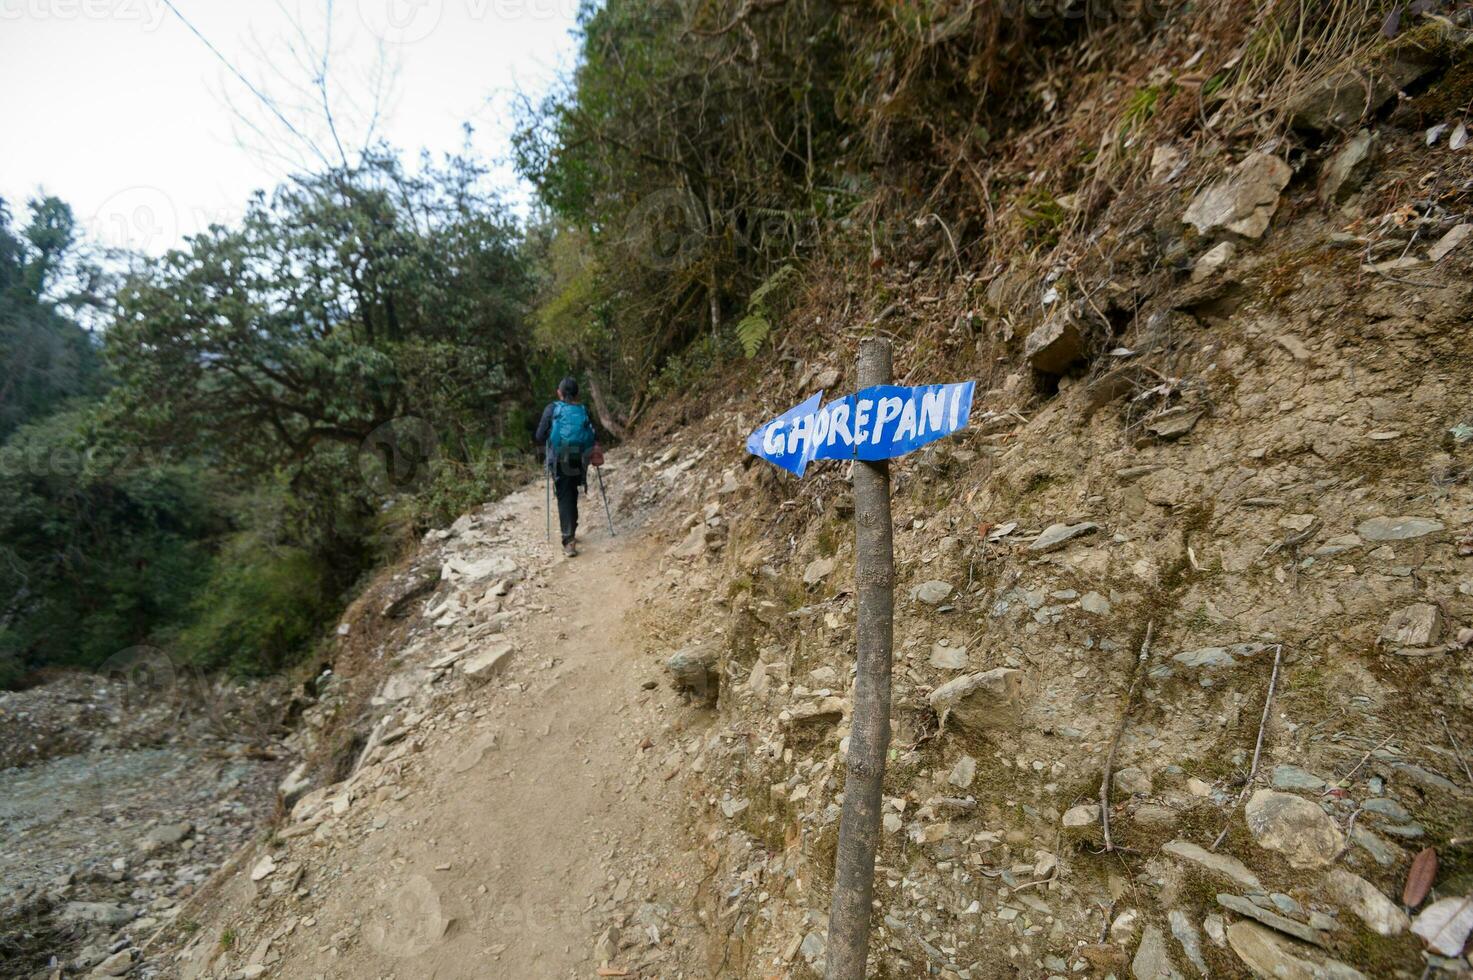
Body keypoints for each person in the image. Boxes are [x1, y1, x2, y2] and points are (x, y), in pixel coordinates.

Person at [534, 377, 597, 557]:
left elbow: (539, 435)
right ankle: (572, 530)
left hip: (560, 457)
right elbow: (593, 434)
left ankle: (568, 540)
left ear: (559, 393)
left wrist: (551, 436)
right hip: (580, 458)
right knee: (572, 492)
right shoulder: (583, 409)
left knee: (565, 495)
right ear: (577, 394)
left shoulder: (552, 409)